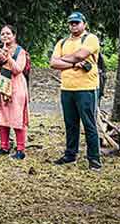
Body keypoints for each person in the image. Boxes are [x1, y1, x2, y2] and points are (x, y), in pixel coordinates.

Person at [49, 12, 102, 171]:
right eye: (71, 23)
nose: (74, 26)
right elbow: (53, 63)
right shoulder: (62, 42)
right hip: (67, 88)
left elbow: (81, 55)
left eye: (77, 23)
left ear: (84, 24)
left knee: (89, 124)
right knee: (70, 123)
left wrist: (63, 59)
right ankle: (70, 154)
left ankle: (94, 159)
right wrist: (73, 64)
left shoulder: (90, 39)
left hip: (86, 88)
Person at [0, 25, 30, 160]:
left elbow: (18, 70)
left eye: (8, 34)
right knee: (3, 116)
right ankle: (4, 146)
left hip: (17, 86)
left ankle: (20, 149)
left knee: (17, 117)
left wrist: (8, 56)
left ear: (14, 35)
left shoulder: (20, 51)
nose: (5, 36)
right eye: (3, 34)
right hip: (3, 86)